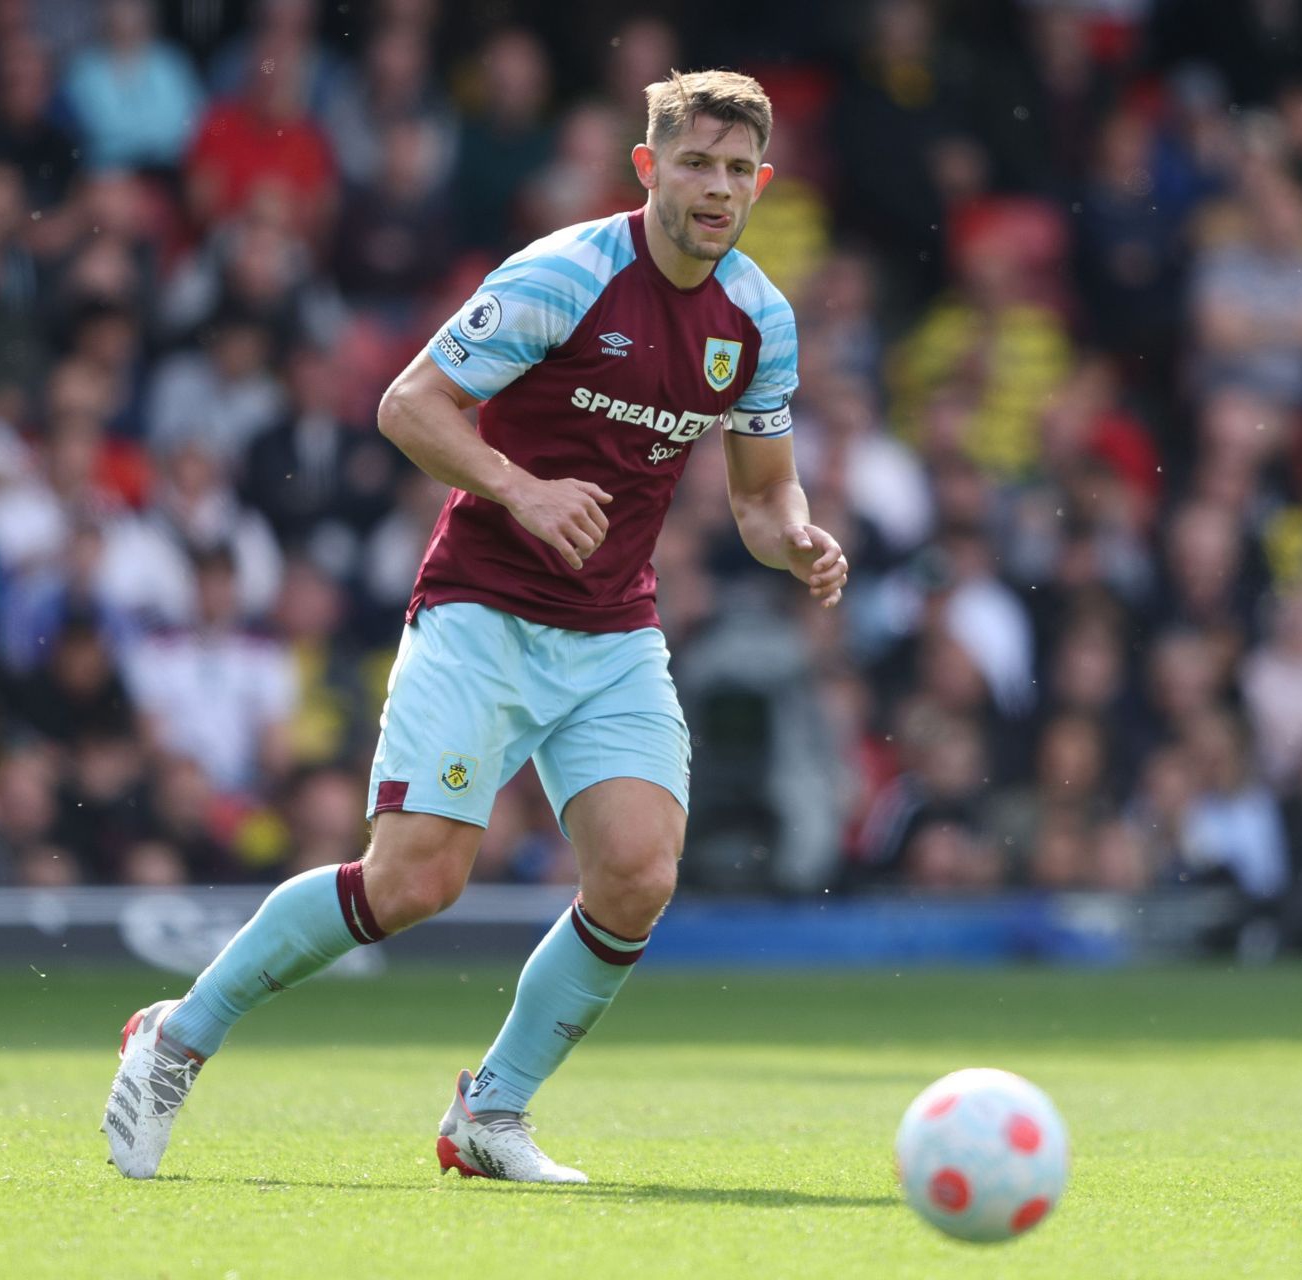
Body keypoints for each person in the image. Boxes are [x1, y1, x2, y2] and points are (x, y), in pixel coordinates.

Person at [103, 71, 847, 1185]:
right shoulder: (563, 273)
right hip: (482, 610)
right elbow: (406, 403)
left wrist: (794, 533)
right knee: (411, 883)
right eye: (696, 163)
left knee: (639, 874)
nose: (718, 188)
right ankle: (176, 1037)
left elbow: (756, 494)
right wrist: (521, 486)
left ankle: (490, 1111)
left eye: (739, 170)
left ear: (763, 185)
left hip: (611, 628)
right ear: (647, 169)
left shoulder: (759, 318)